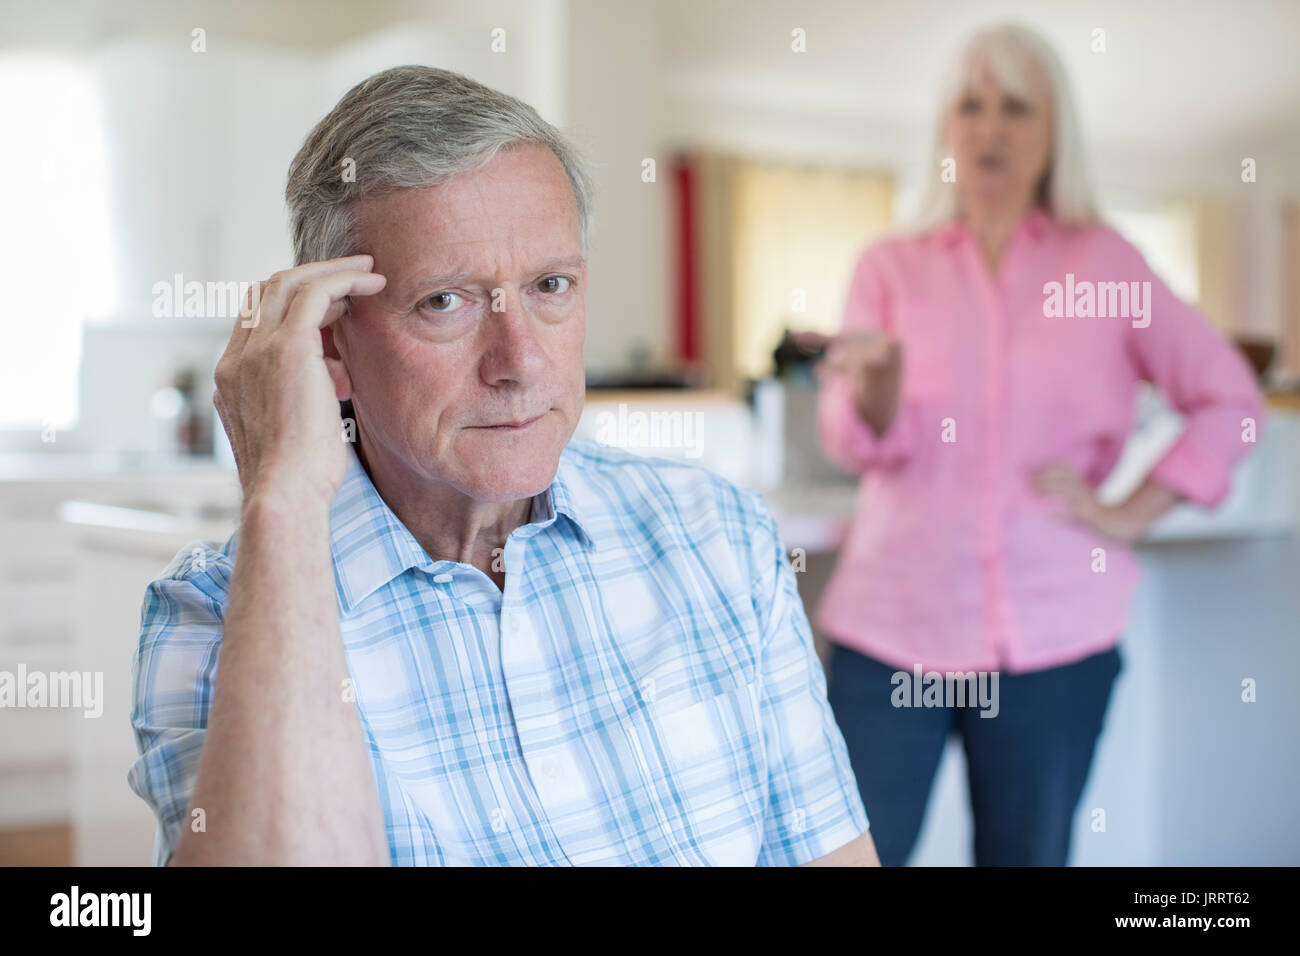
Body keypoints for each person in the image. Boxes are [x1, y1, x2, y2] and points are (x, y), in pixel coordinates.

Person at [127, 66, 877, 867]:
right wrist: (279, 498)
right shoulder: (216, 617)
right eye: (445, 301)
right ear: (329, 342)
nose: (520, 361)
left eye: (550, 286)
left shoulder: (720, 535)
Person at [811, 24, 1265, 866]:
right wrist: (873, 393)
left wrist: (1130, 512)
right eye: (971, 106)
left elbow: (1232, 404)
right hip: (891, 628)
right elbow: (849, 438)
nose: (991, 129)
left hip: (1056, 636)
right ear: (945, 130)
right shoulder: (891, 266)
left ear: (1053, 130)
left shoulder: (1108, 265)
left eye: (1016, 108)